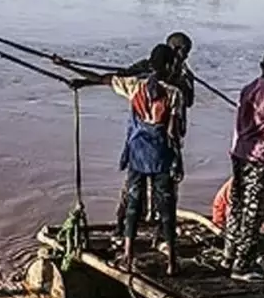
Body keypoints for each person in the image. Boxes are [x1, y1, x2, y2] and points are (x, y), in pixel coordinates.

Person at [71, 44, 185, 275]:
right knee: (166, 208)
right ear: (171, 66)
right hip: (161, 157)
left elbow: (104, 79)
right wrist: (177, 157)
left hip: (137, 155)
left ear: (151, 64)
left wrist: (78, 78)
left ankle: (128, 257)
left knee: (133, 205)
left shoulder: (135, 86)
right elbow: (174, 132)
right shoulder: (175, 93)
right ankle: (172, 263)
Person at [110, 32, 196, 235]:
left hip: (167, 140)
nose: (185, 57)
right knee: (133, 190)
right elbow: (123, 77)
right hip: (144, 140)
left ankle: (161, 232)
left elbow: (189, 100)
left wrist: (175, 80)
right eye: (183, 51)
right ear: (174, 50)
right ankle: (121, 226)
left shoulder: (184, 76)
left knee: (165, 192)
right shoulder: (147, 67)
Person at [223, 48, 264, 278]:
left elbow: (238, 125)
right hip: (257, 157)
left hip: (239, 152)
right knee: (253, 211)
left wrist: (234, 149)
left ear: (262, 65)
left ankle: (228, 254)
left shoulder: (247, 89)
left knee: (237, 204)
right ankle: (242, 266)